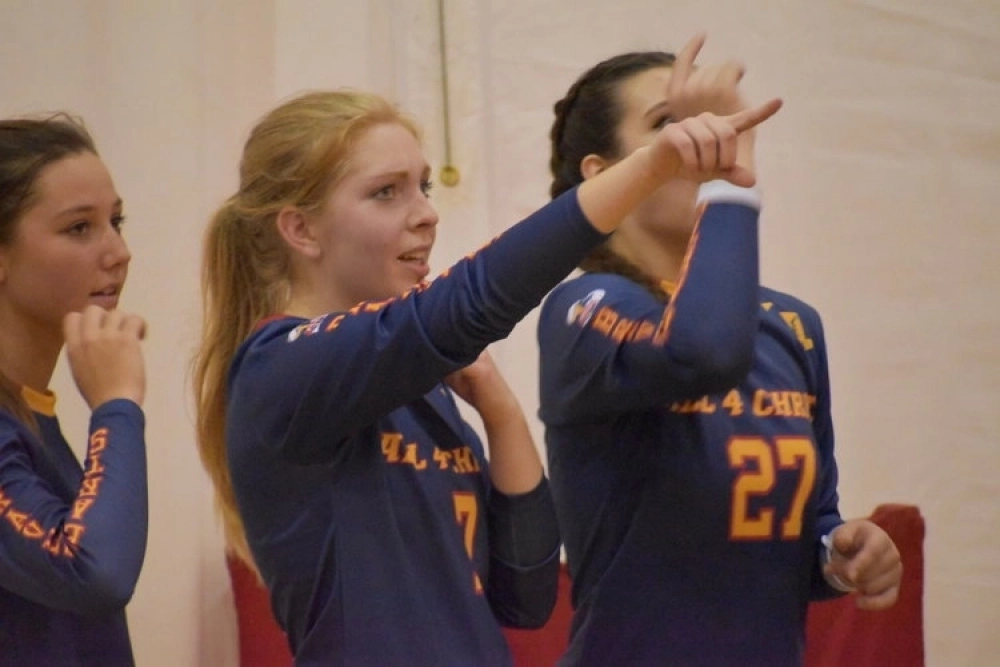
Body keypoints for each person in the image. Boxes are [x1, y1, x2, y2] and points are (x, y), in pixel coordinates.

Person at [191, 85, 779, 666]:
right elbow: (471, 300)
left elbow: (526, 597)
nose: (425, 213)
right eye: (385, 193)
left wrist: (498, 410)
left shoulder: (417, 387)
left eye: (421, 186)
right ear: (301, 230)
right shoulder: (279, 366)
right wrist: (648, 168)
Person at [537, 36, 903, 666]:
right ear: (605, 174)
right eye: (669, 124)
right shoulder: (585, 309)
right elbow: (701, 351)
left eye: (711, 122)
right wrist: (729, 185)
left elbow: (807, 528)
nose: (705, 139)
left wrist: (842, 554)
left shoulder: (793, 323)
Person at [0, 114, 148, 666]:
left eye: (117, 221)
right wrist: (117, 406)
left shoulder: (33, 412)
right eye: (79, 228)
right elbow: (93, 572)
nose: (118, 252)